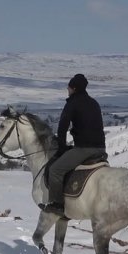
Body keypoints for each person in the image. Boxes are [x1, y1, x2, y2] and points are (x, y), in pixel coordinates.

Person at [41, 73, 107, 217]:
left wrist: (61, 148)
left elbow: (62, 127)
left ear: (74, 88)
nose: (68, 90)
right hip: (101, 149)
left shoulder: (72, 103)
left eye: (69, 87)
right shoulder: (94, 102)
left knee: (55, 170)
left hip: (84, 149)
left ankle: (57, 204)